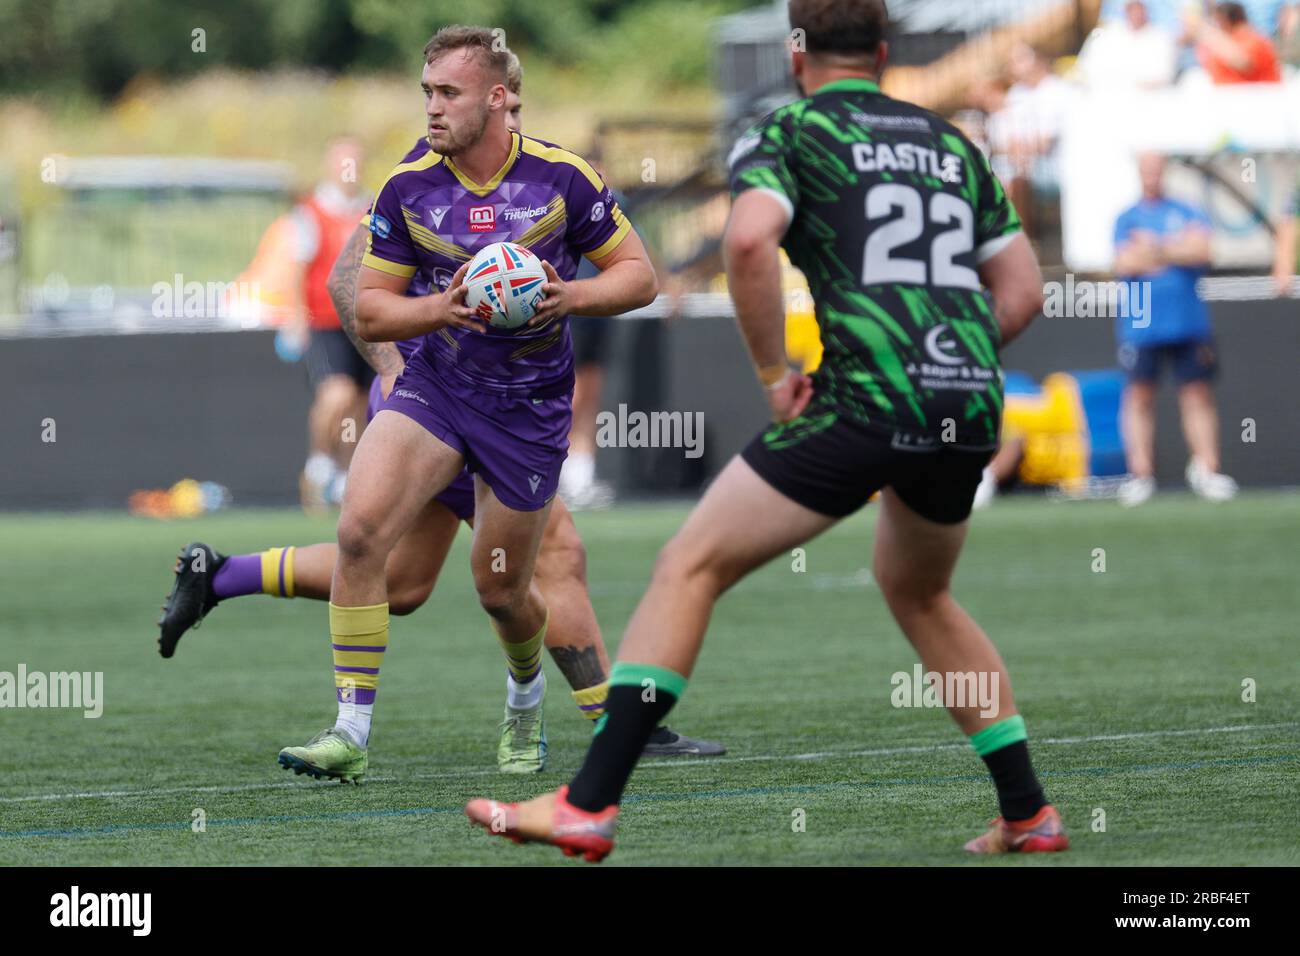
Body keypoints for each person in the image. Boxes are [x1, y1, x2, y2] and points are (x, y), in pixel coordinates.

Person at [466, 0, 1066, 861]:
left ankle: (587, 805)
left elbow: (748, 242)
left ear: (797, 52)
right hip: (967, 401)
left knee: (690, 564)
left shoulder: (788, 129)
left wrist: (776, 376)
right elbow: (1024, 292)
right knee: (920, 588)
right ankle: (1029, 813)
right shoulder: (951, 142)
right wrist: (949, 359)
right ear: (886, 50)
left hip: (867, 399)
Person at [158, 40, 721, 778]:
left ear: (501, 101)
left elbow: (638, 275)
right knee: (381, 534)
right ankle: (362, 734)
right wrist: (404, 361)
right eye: (429, 91)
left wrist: (566, 295)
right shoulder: (412, 185)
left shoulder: (558, 179)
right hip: (433, 395)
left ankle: (222, 576)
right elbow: (350, 289)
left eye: (449, 93)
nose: (433, 106)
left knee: (431, 586)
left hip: (522, 411)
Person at [1112, 152, 1238, 506]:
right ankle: (1140, 474)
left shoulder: (1187, 211)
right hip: (1141, 322)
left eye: (1156, 169)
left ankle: (1207, 469)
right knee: (1139, 396)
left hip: (1188, 320)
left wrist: (1154, 248)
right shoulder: (1126, 217)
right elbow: (1125, 261)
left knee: (1197, 394)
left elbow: (1202, 251)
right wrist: (1175, 249)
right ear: (1138, 172)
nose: (1151, 175)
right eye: (1145, 169)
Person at [285, 138, 377, 510]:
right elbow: (296, 269)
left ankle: (344, 474)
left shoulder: (371, 207)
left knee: (358, 401)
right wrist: (295, 319)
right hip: (325, 320)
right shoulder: (310, 211)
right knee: (335, 393)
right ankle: (319, 462)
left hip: (365, 321)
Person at [1078, 1, 1179, 90]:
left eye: (1140, 8)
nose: (1136, 13)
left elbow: (1164, 75)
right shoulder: (1108, 34)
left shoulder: (1160, 37)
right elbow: (1088, 67)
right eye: (1132, 8)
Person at [1191, 1, 1283, 83]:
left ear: (1224, 20)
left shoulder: (1252, 39)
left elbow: (1244, 63)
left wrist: (1210, 35)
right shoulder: (1230, 40)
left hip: (1256, 97)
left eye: (1217, 21)